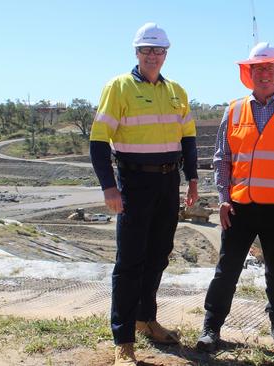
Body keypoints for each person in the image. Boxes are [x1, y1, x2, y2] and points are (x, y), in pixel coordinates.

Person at [89, 22, 198, 366]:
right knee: (130, 262)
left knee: (158, 255)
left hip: (168, 184)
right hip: (133, 185)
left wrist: (192, 180)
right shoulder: (118, 87)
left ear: (166, 54)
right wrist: (109, 187)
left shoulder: (177, 91)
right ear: (136, 52)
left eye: (159, 50)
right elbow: (98, 141)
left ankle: (146, 319)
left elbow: (189, 140)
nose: (153, 55)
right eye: (147, 50)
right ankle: (123, 340)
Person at [195, 42, 274, 352]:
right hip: (240, 206)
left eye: (269, 68)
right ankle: (211, 327)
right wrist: (223, 197)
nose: (264, 74)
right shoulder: (233, 110)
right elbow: (223, 158)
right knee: (228, 267)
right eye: (257, 68)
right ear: (249, 73)